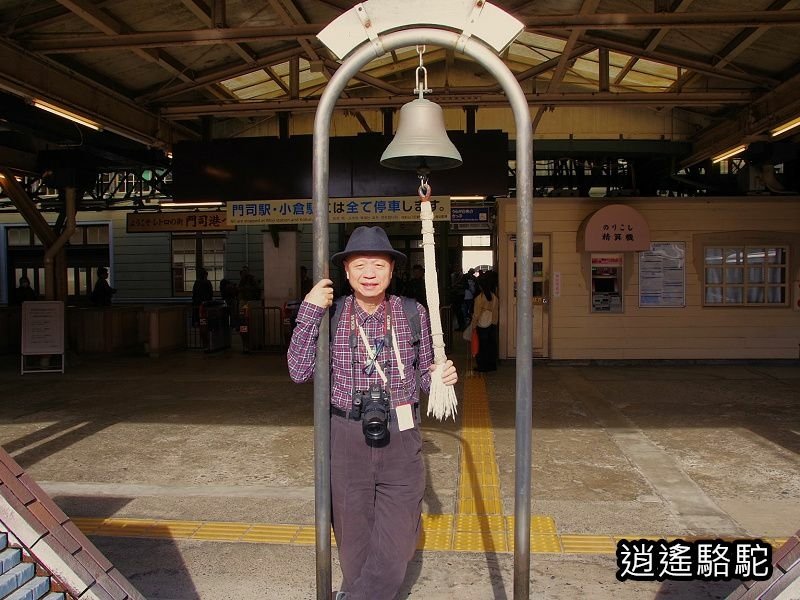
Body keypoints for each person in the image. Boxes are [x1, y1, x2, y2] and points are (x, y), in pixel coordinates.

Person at [287, 226, 458, 600]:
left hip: (402, 437)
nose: (369, 273)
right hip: (346, 438)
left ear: (392, 271)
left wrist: (442, 376)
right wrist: (311, 309)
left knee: (398, 546)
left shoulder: (412, 313)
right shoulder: (331, 316)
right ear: (346, 272)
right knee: (354, 549)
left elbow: (427, 378)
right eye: (359, 264)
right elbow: (299, 371)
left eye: (378, 264)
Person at [470, 270, 499, 372]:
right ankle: (491, 365)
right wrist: (494, 323)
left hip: (481, 325)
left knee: (482, 346)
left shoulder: (479, 298)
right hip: (492, 324)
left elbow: (476, 314)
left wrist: (473, 326)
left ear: (480, 286)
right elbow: (496, 312)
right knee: (491, 345)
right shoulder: (494, 297)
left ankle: (482, 366)